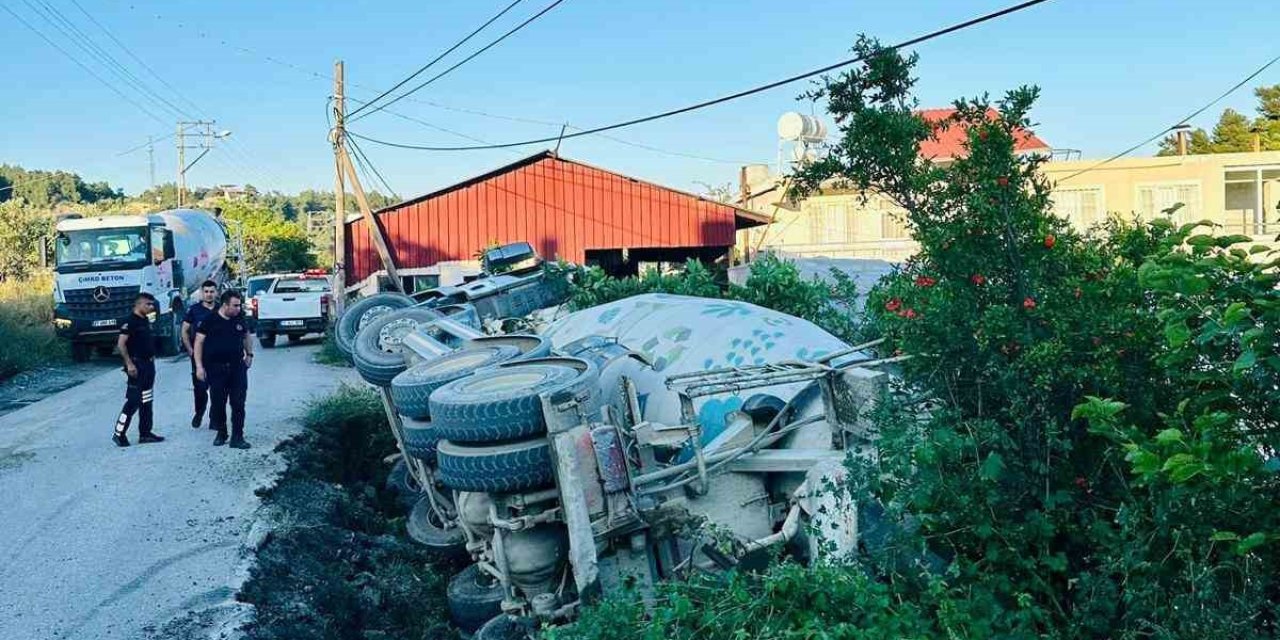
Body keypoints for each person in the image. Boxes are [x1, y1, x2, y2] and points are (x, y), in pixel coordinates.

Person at [194, 290, 255, 449]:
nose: (238, 308)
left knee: (238, 402)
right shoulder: (210, 320)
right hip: (216, 368)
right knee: (218, 403)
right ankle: (222, 433)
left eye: (239, 305)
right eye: (235, 305)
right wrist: (199, 366)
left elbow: (247, 336)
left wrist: (249, 355)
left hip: (237, 367)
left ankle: (238, 437)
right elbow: (199, 343)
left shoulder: (239, 318)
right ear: (225, 305)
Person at [112, 293, 166, 447]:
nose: (151, 307)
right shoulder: (130, 322)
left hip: (148, 365)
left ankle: (145, 433)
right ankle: (119, 433)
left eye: (152, 304)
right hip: (137, 365)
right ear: (139, 304)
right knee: (133, 401)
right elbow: (121, 344)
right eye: (148, 304)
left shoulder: (145, 320)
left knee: (146, 400)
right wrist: (129, 364)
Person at [181, 280, 219, 429]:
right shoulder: (194, 310)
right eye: (206, 292)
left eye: (212, 291)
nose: (209, 294)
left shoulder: (221, 309)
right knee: (200, 389)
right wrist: (190, 349)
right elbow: (184, 331)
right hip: (199, 356)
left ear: (216, 293)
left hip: (217, 356)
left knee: (217, 388)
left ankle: (214, 418)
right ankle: (199, 412)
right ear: (202, 293)